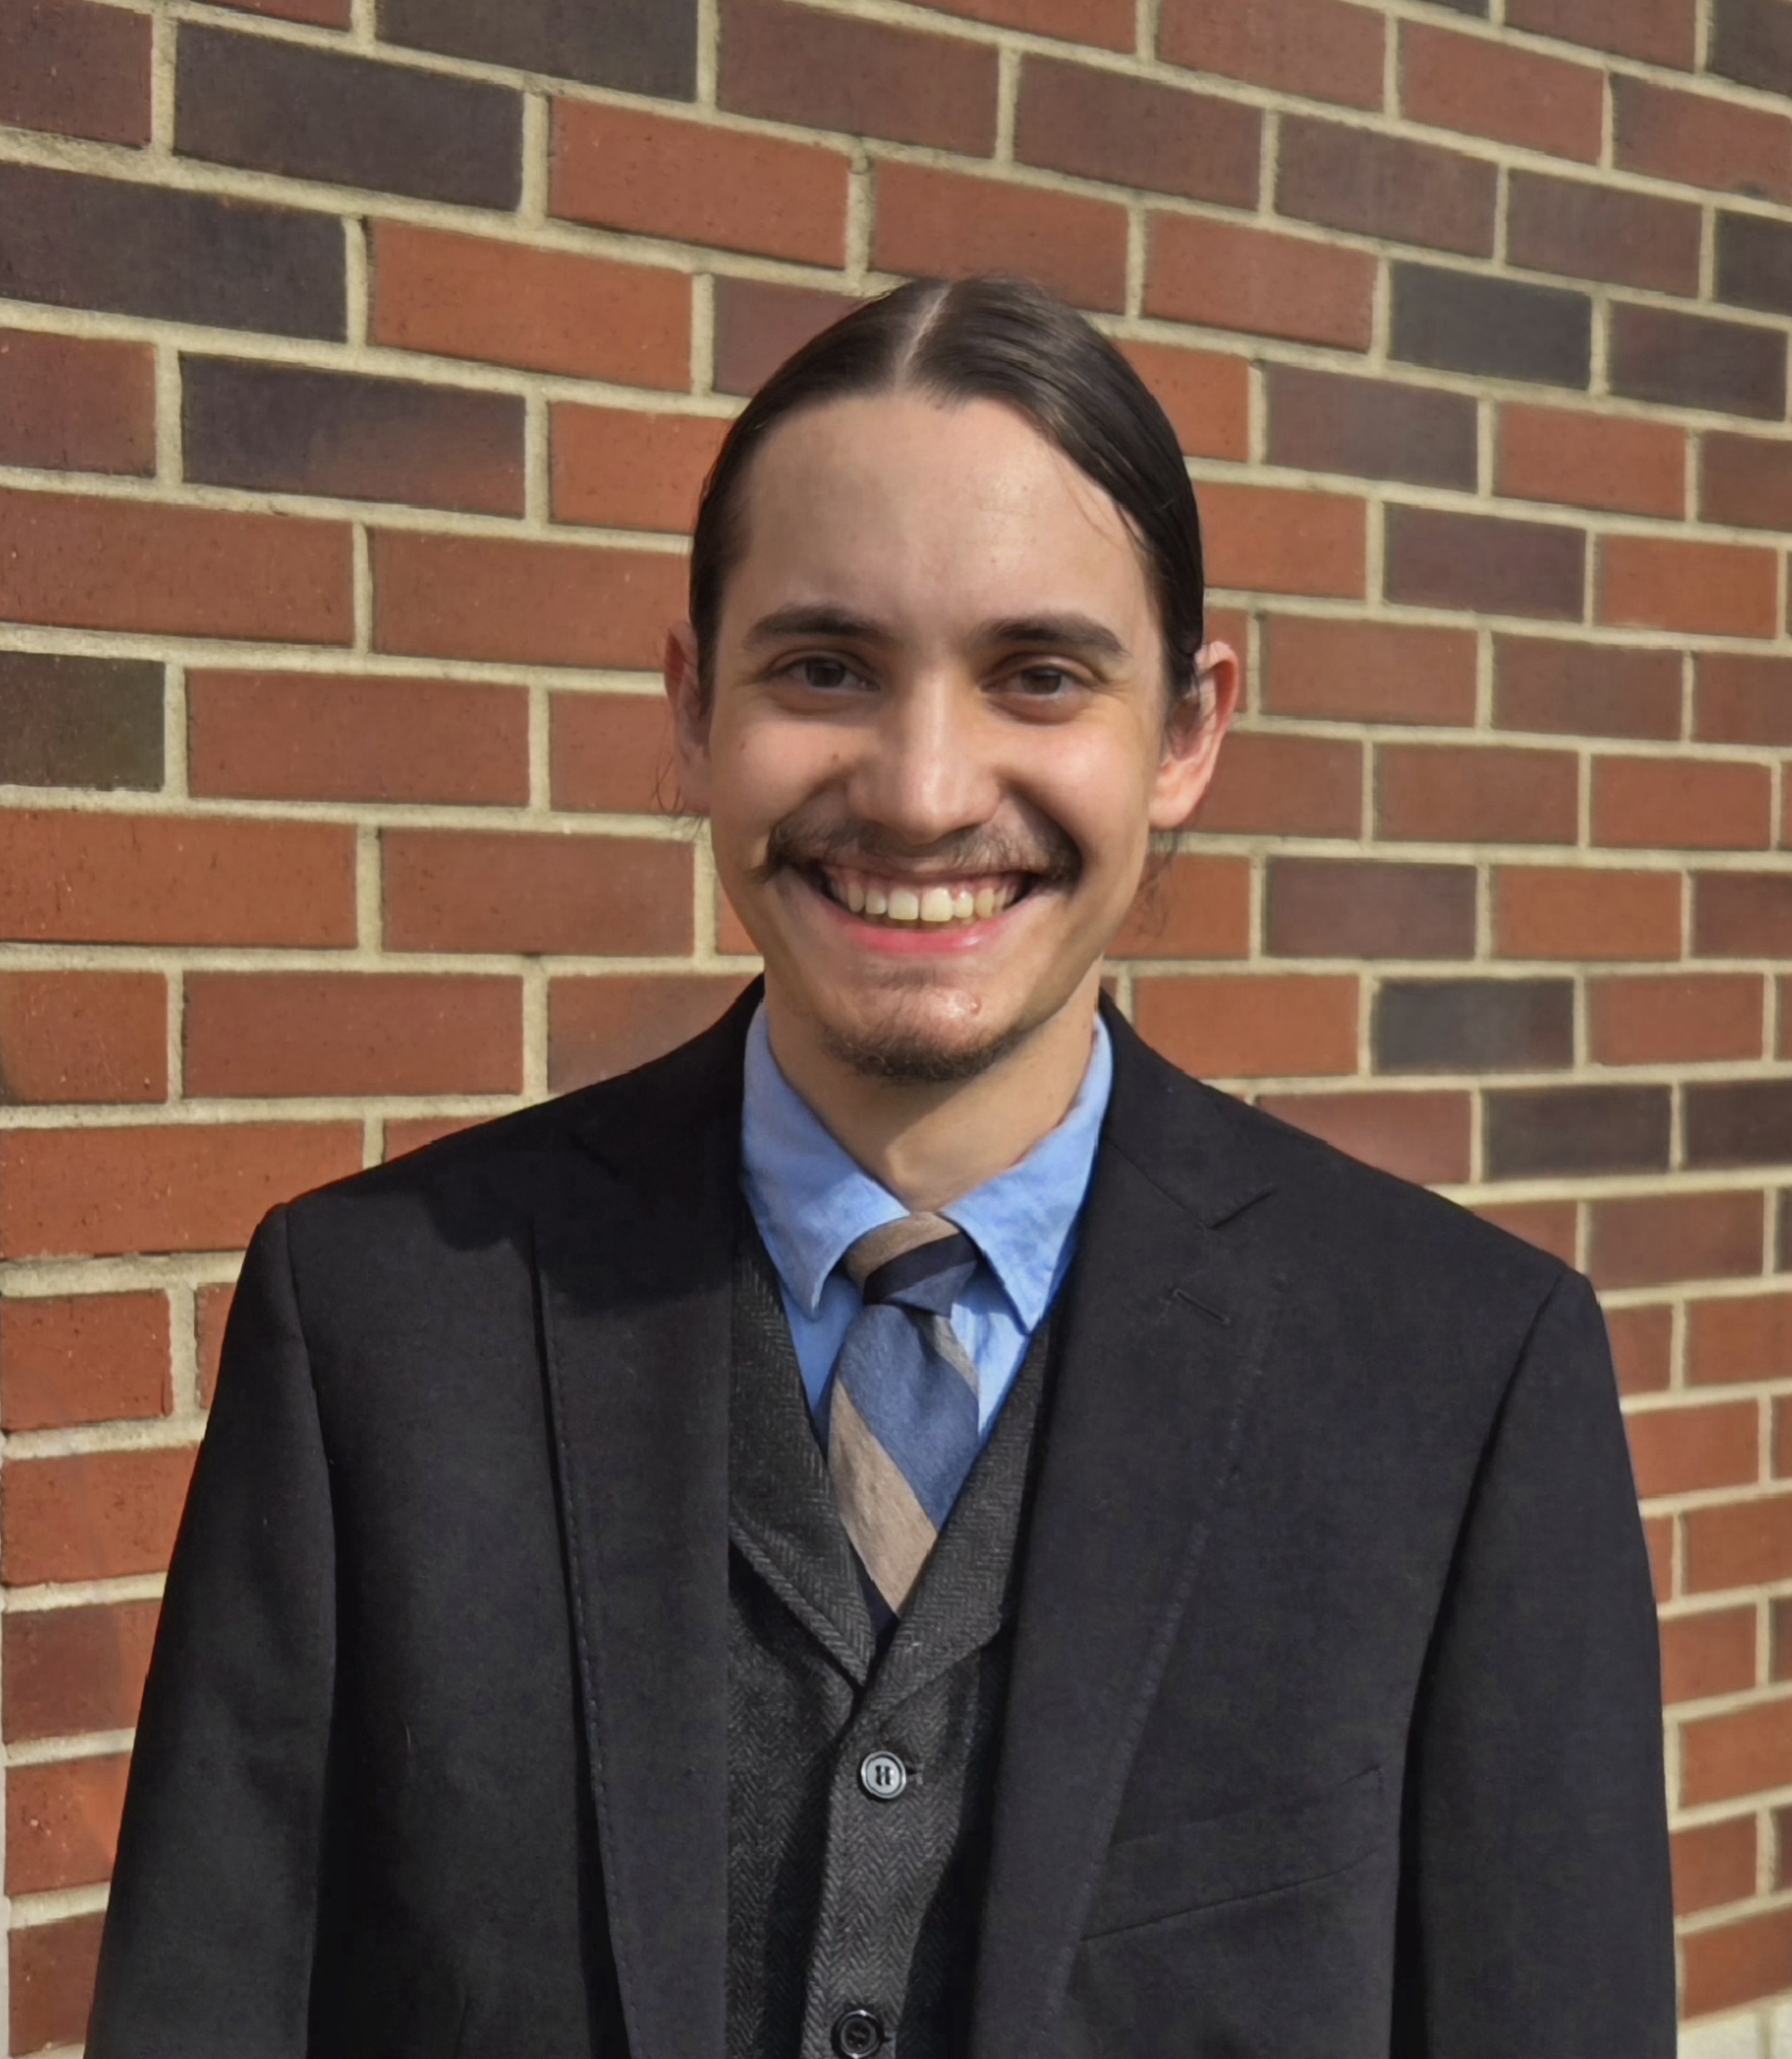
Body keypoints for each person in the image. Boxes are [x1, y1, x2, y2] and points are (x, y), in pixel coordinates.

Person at [86, 274, 1675, 2059]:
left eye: (1039, 673)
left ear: (1187, 730)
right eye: (824, 666)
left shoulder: (1460, 1375)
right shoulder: (378, 1328)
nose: (922, 788)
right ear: (693, 710)